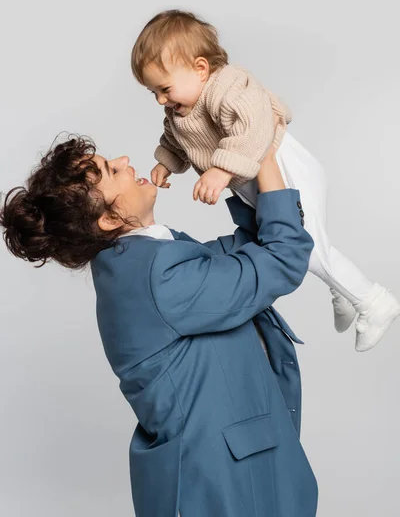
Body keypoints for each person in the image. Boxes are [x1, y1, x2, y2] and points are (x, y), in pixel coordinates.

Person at [1, 134, 317, 517]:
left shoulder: (142, 262)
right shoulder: (157, 277)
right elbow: (281, 258)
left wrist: (235, 165)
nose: (123, 160)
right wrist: (261, 151)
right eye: (110, 171)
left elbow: (247, 253)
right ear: (109, 219)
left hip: (227, 471)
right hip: (227, 481)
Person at [131, 9, 400, 352]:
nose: (161, 100)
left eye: (165, 89)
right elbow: (176, 138)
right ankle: (342, 291)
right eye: (153, 92)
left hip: (287, 170)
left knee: (306, 246)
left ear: (200, 69)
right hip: (257, 185)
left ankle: (373, 301)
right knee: (305, 243)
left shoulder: (227, 87)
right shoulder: (180, 110)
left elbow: (255, 125)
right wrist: (166, 163)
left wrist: (221, 169)